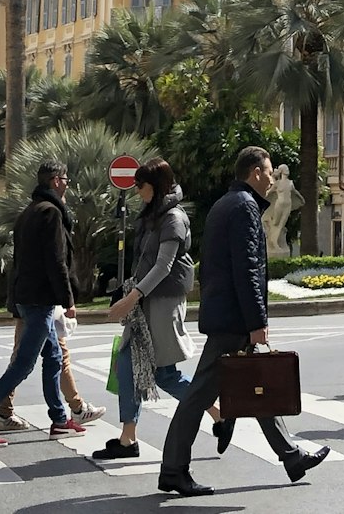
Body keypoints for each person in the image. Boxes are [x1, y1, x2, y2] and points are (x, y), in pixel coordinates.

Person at [158, 146, 330, 497]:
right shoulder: (245, 208)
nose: (271, 179)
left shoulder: (226, 204)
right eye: (268, 172)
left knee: (259, 385)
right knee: (199, 395)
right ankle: (174, 469)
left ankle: (291, 456)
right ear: (255, 172)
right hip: (234, 320)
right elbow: (247, 269)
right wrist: (257, 321)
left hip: (225, 314)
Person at [94, 158, 224, 460]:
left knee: (164, 375)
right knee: (127, 365)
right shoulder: (153, 214)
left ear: (156, 185)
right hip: (147, 300)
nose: (137, 190)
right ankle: (128, 439)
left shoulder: (173, 219)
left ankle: (218, 413)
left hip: (163, 303)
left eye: (141, 185)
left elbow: (164, 266)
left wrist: (131, 297)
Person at [0, 159, 86, 447]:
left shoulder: (29, 212)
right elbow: (56, 261)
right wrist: (68, 299)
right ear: (56, 180)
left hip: (26, 297)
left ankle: (59, 421)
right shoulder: (51, 213)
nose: (68, 184)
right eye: (66, 179)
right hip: (39, 301)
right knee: (23, 364)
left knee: (54, 357)